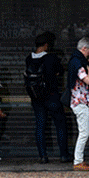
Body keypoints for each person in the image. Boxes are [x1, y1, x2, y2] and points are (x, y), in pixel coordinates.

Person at [27, 32, 69, 164]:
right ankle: (63, 155)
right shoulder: (51, 58)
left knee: (40, 126)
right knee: (60, 125)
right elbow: (60, 71)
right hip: (52, 96)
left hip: (36, 98)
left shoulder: (28, 59)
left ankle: (43, 156)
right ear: (46, 45)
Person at [67, 37, 89, 171]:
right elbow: (88, 81)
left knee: (83, 132)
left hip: (77, 101)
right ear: (84, 49)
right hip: (80, 102)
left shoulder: (75, 60)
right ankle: (78, 161)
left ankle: (79, 160)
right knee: (84, 133)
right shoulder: (78, 63)